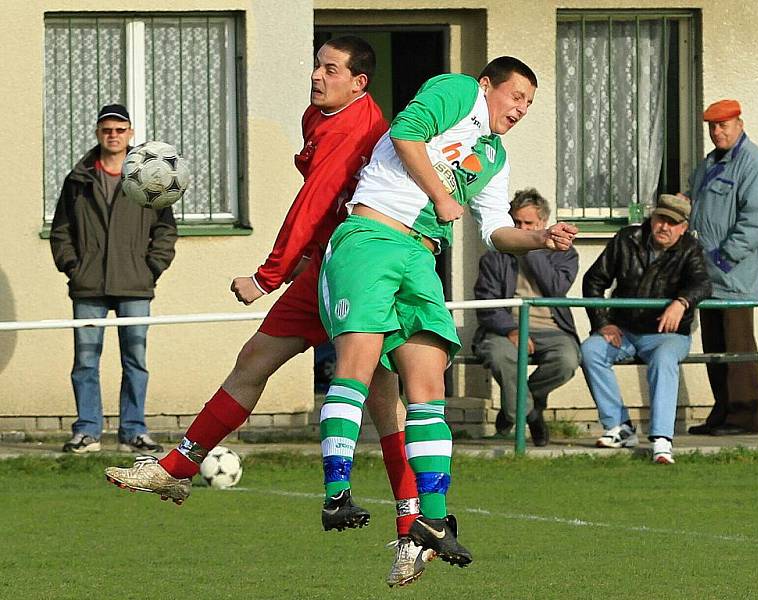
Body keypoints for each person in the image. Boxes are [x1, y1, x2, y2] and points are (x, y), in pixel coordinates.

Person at [104, 37, 432, 588]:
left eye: (330, 69)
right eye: (316, 65)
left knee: (383, 403)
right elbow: (315, 186)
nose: (316, 75)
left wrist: (267, 275)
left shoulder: (353, 129)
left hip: (362, 270)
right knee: (255, 359)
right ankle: (176, 468)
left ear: (360, 83)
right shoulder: (325, 112)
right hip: (326, 267)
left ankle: (411, 535)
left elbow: (311, 204)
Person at [317, 57, 578, 566]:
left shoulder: (494, 156)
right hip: (372, 236)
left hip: (420, 256)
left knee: (428, 384)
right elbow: (404, 133)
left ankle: (431, 520)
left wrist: (540, 238)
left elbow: (496, 231)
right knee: (358, 364)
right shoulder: (457, 92)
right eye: (516, 95)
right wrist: (440, 195)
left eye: (530, 102)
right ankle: (336, 495)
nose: (521, 108)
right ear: (487, 86)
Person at [51, 103, 177, 455]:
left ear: (130, 134)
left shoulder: (146, 177)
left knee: (135, 361)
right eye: (107, 129)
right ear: (98, 133)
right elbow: (61, 231)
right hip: (88, 285)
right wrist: (73, 266)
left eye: (120, 130)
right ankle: (87, 432)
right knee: (85, 362)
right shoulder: (77, 181)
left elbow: (166, 229)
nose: (113, 135)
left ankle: (133, 431)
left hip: (135, 284)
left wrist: (151, 266)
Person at [581, 194, 711, 464]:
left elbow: (702, 284)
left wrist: (681, 302)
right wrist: (603, 323)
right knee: (590, 350)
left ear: (683, 227)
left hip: (668, 335)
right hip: (624, 329)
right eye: (660, 218)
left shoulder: (691, 248)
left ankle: (662, 440)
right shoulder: (626, 239)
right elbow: (594, 279)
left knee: (664, 359)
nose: (664, 227)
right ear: (652, 218)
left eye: (672, 222)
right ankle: (619, 427)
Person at [682, 99, 758, 436]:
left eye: (723, 125)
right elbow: (692, 201)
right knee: (715, 348)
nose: (717, 131)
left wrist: (725, 257)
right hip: (707, 275)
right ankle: (722, 412)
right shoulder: (710, 163)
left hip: (736, 277)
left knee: (738, 350)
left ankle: (744, 417)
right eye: (712, 126)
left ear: (739, 123)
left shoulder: (752, 164)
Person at [473, 188, 580, 446]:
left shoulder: (565, 253)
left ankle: (516, 404)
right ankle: (531, 414)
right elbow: (487, 303)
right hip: (505, 329)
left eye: (528, 224)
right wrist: (511, 330)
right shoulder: (494, 255)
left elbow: (556, 288)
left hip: (550, 328)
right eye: (516, 223)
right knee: (500, 357)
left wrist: (535, 245)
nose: (521, 228)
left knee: (568, 360)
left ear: (543, 223)